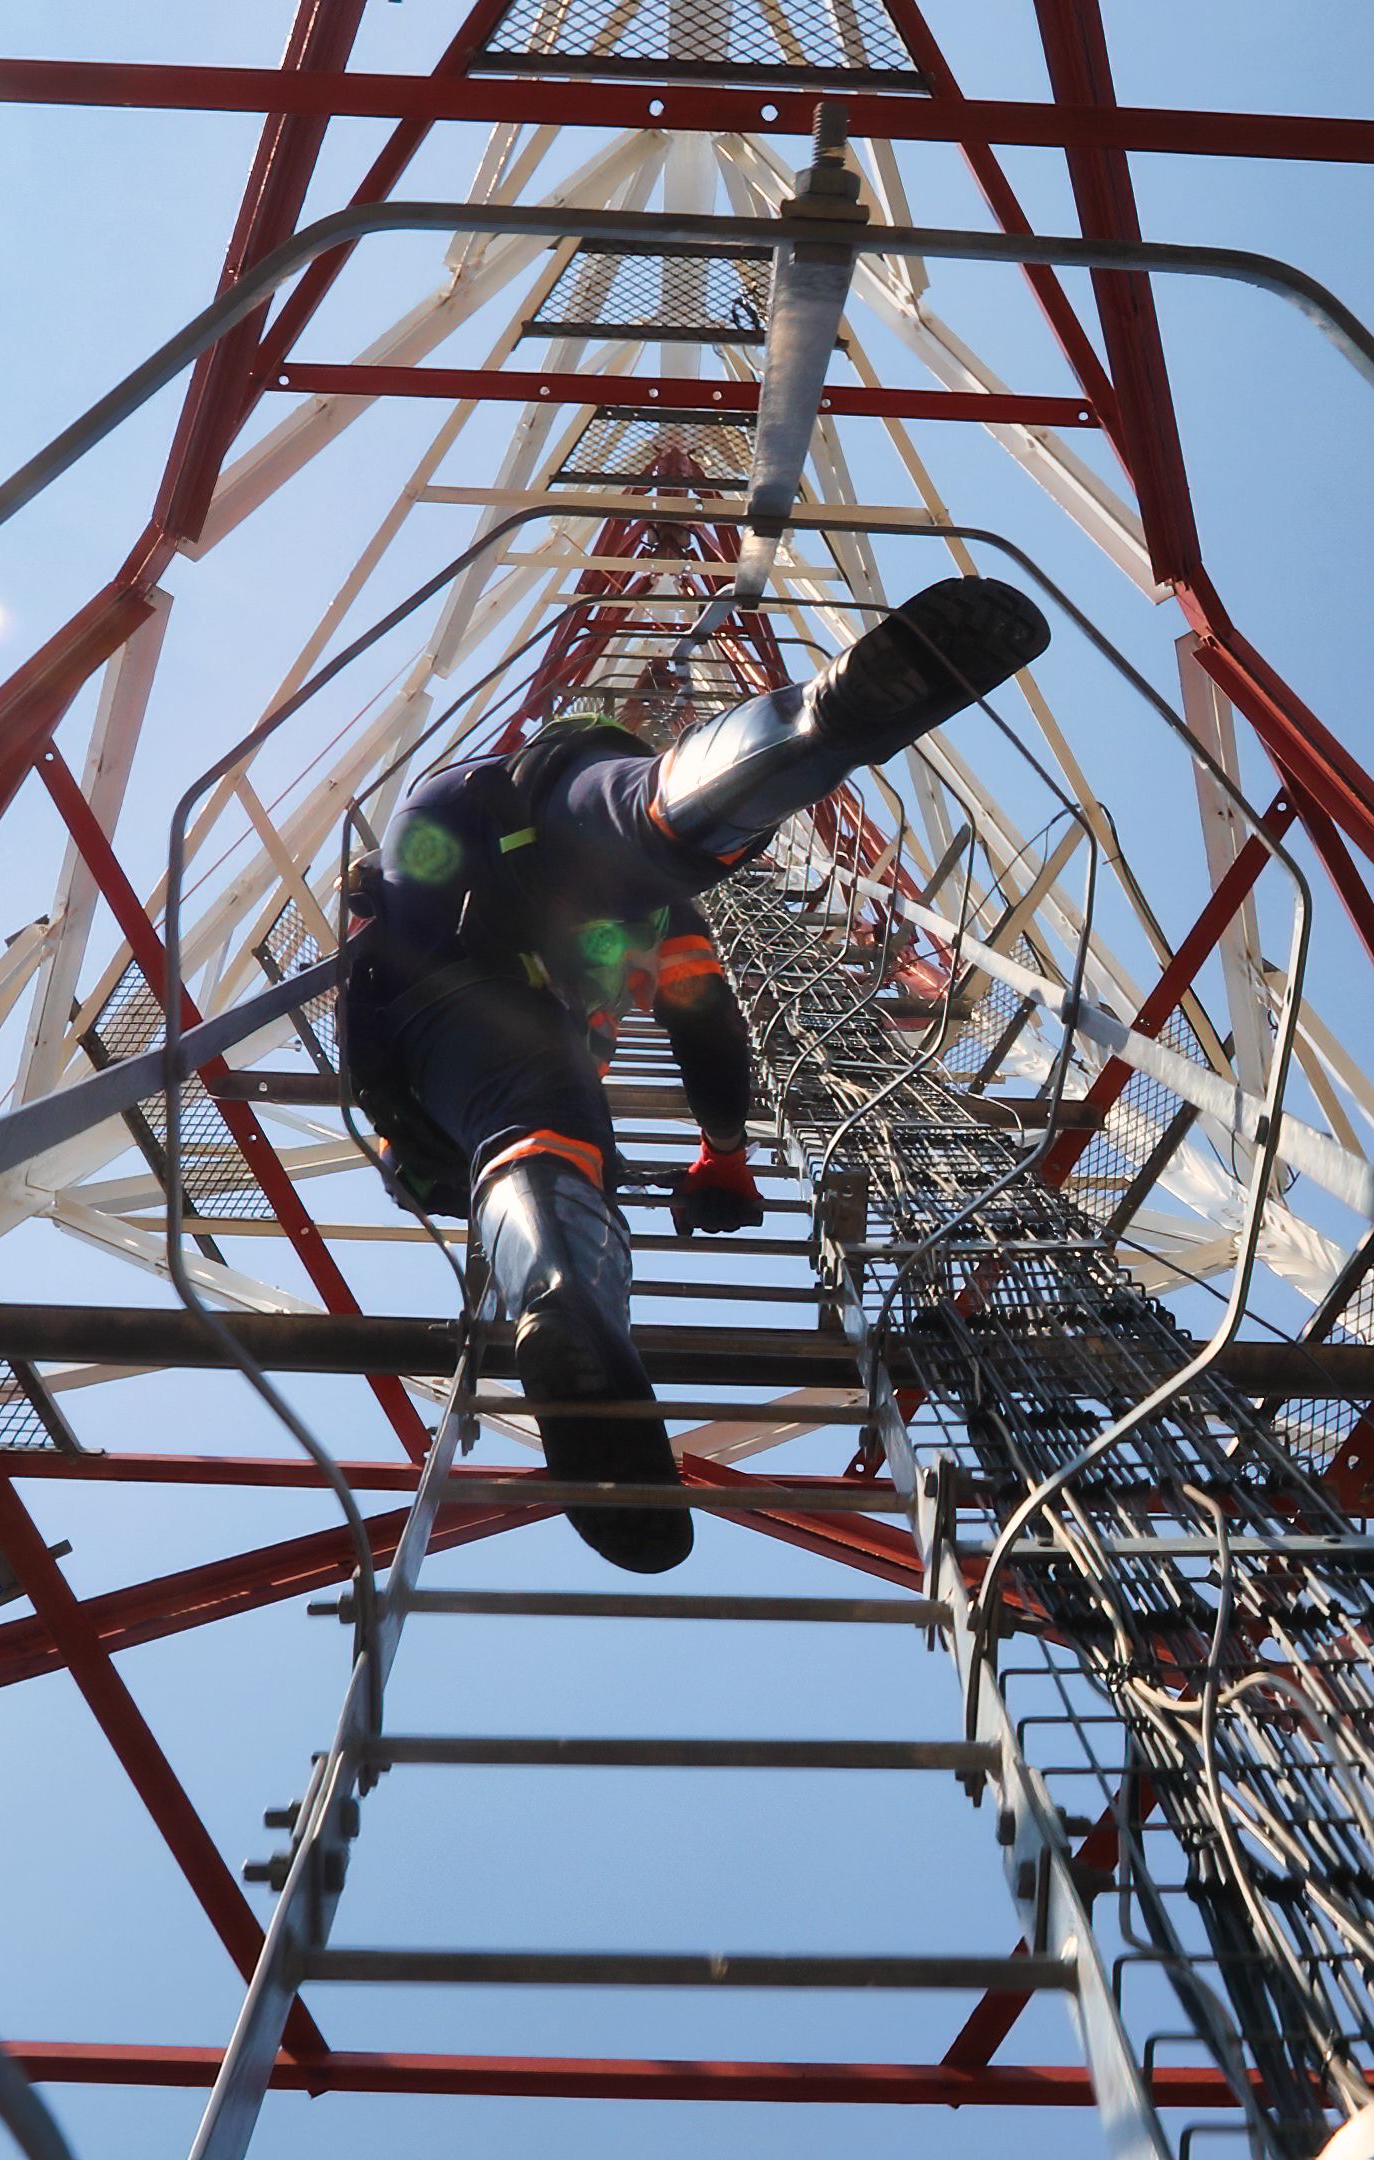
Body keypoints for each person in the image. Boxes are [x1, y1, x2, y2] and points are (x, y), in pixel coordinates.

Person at [339, 576, 1050, 1570]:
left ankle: (559, 1303)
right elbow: (704, 1019)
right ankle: (810, 725)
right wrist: (723, 1150)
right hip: (535, 838)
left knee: (542, 1110)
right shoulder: (651, 927)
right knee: (641, 831)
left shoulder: (540, 1004)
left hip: (432, 899)